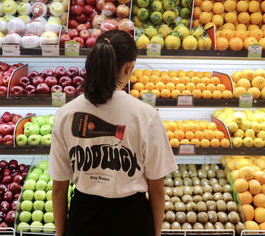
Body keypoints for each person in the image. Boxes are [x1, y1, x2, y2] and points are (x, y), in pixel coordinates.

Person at [48, 30, 177, 236]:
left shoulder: (65, 114)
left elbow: (59, 187)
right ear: (129, 67)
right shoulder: (146, 115)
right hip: (132, 218)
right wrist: (157, 233)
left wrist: (60, 233)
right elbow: (157, 188)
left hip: (84, 217)